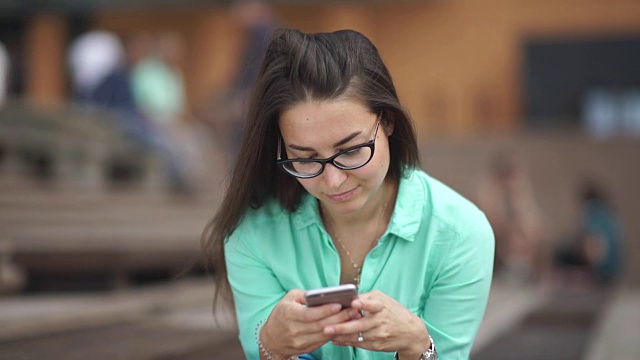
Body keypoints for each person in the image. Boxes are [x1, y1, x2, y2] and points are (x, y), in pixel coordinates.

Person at [202, 29, 494, 360]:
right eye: (306, 158)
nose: (334, 180)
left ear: (387, 122)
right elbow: (265, 351)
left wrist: (417, 345)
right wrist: (272, 348)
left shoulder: (460, 233)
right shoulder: (252, 234)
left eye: (352, 150)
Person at [476, 150, 546, 284]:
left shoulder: (518, 194)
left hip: (515, 236)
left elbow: (532, 223)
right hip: (497, 237)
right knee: (515, 236)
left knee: (529, 230)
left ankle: (523, 266)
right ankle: (513, 266)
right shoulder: (490, 190)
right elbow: (494, 218)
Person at [554, 181, 624, 285]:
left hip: (602, 270)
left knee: (562, 252)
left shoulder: (591, 209)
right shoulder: (609, 212)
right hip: (615, 269)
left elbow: (593, 243)